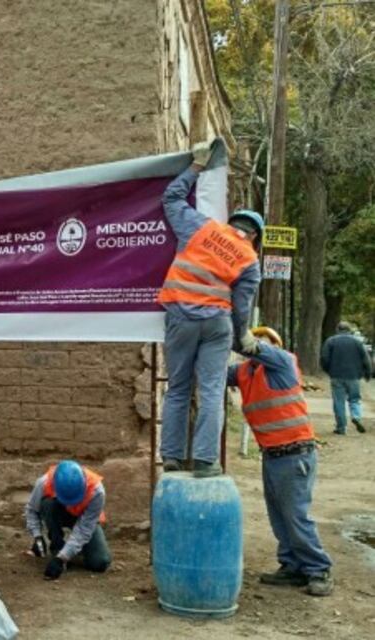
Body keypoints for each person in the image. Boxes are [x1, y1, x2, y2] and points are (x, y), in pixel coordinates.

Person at [157, 141, 263, 477]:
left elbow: (171, 198)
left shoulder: (203, 227)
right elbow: (241, 306)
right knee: (212, 391)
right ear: (254, 236)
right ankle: (205, 461)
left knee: (178, 388)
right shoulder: (250, 260)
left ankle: (172, 457)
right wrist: (242, 335)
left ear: (231, 222)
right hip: (217, 322)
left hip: (180, 316)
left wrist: (196, 167)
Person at [229, 326, 333, 596]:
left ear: (275, 346)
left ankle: (318, 568)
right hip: (273, 454)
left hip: (294, 453)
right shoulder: (245, 373)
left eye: (265, 341)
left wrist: (232, 334)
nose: (258, 344)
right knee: (279, 516)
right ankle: (292, 566)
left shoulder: (283, 362)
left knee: (296, 516)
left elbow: (253, 348)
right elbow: (215, 371)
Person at [24, 460, 111, 580]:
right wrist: (37, 536)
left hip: (84, 519)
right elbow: (32, 509)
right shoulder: (44, 482)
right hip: (59, 512)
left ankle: (67, 552)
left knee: (100, 563)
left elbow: (84, 529)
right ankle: (57, 548)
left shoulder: (97, 491)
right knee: (48, 504)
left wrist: (62, 558)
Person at [321, 321, 372, 435]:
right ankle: (356, 417)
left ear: (337, 329)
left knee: (339, 401)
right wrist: (367, 373)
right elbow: (366, 359)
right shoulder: (357, 342)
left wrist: (328, 370)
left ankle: (341, 427)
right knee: (354, 399)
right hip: (354, 375)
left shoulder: (331, 341)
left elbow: (324, 358)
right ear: (349, 330)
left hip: (336, 375)